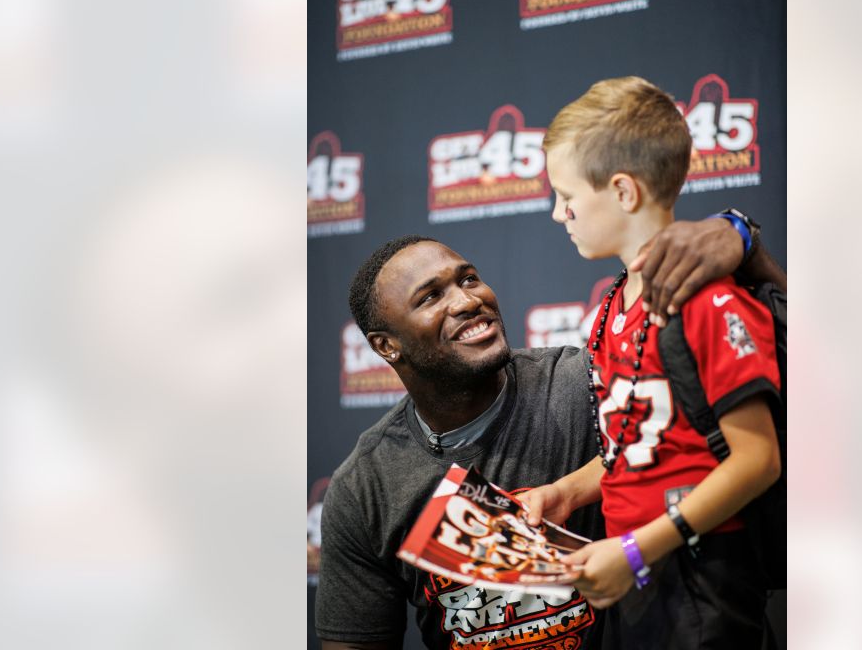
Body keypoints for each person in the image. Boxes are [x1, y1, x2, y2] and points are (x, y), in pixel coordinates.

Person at [315, 219, 784, 650]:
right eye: (430, 297)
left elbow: (756, 418)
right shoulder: (366, 487)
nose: (466, 300)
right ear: (386, 345)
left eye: (469, 278)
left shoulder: (588, 381)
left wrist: (744, 238)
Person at [521, 76, 783, 648]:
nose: (557, 213)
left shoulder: (709, 301)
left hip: (700, 577)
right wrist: (563, 494)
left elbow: (759, 459)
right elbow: (636, 447)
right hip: (636, 575)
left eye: (566, 195)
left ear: (622, 192)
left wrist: (639, 548)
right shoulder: (612, 305)